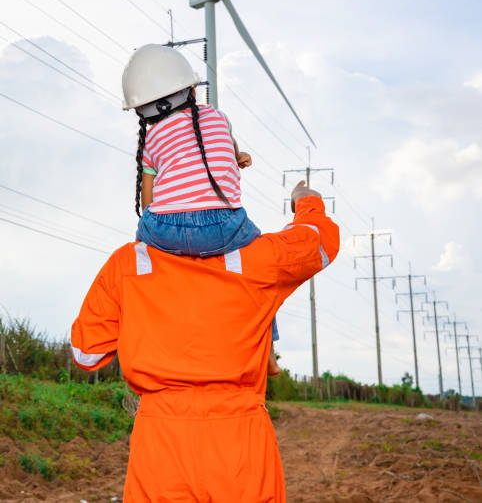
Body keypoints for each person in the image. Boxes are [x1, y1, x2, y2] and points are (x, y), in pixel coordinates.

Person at [71, 180, 340, 502]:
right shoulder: (260, 258)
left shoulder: (128, 263)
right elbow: (318, 240)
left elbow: (87, 354)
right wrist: (306, 200)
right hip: (241, 445)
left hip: (160, 445)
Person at [123, 43, 280, 375]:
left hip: (167, 226)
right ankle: (268, 350)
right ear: (192, 88)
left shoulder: (151, 140)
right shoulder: (217, 117)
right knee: (260, 267)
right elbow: (226, 144)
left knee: (141, 252)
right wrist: (236, 158)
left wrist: (157, 230)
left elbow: (148, 198)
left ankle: (157, 333)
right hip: (224, 225)